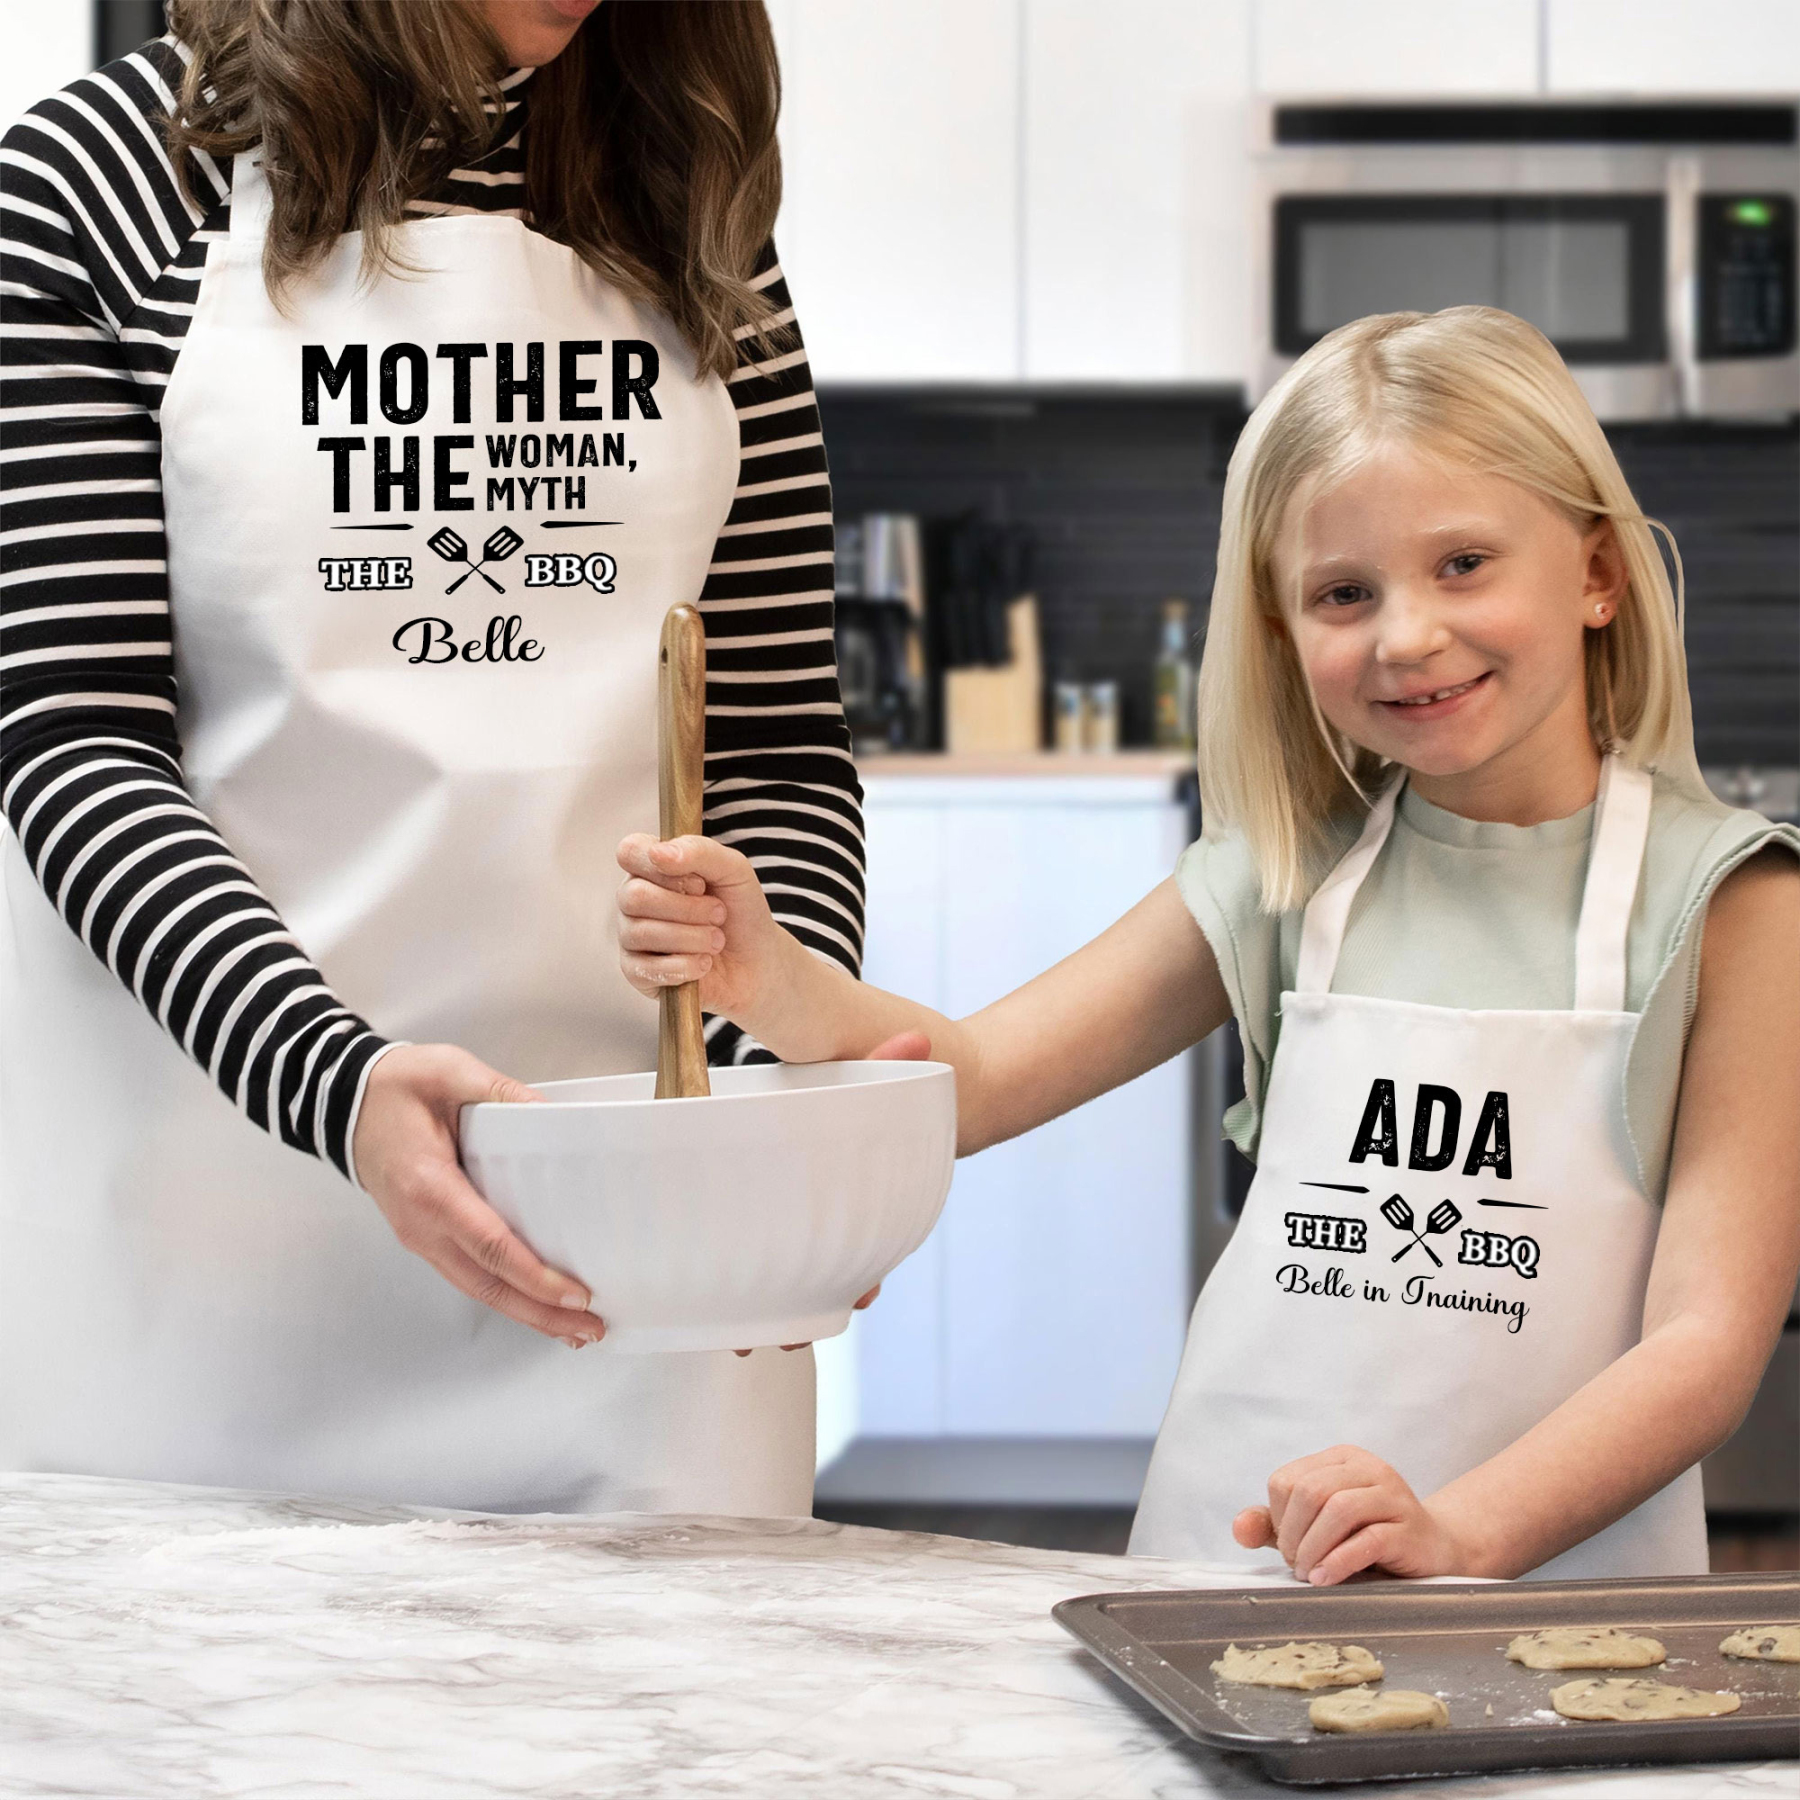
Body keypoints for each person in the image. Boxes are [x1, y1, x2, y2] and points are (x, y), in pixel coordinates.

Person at [617, 306, 1800, 1581]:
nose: (1405, 634)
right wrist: (764, 976)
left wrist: (1461, 1534)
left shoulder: (1732, 905)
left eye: (1464, 564)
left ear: (1597, 573)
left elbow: (1704, 1343)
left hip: (1542, 1593)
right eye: (1345, 592)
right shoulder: (1283, 875)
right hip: (1230, 1562)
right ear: (1285, 635)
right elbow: (973, 1076)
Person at [0, 0, 866, 1516]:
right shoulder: (90, 184)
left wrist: (748, 1124)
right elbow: (77, 741)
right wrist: (339, 1084)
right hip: (212, 1252)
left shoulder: (688, 192)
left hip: (636, 1273)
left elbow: (780, 750)